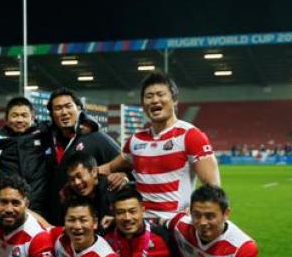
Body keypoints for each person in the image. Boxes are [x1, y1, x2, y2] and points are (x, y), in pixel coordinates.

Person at [99, 73, 219, 220]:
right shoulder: (135, 141)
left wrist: (196, 209)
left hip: (174, 225)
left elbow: (213, 187)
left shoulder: (191, 135)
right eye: (149, 96)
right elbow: (109, 168)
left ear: (174, 100)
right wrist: (82, 174)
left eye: (160, 94)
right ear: (143, 105)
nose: (155, 100)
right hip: (142, 227)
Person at [44, 88, 120, 225]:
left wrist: (122, 175)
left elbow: (125, 162)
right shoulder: (46, 140)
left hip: (88, 223)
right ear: (51, 114)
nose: (64, 112)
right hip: (55, 220)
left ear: (79, 108)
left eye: (68, 106)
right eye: (58, 108)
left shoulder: (96, 138)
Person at [0, 97, 50, 215]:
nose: (19, 120)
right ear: (6, 118)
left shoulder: (44, 133)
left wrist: (87, 124)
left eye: (24, 115)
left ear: (32, 117)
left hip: (39, 205)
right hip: (9, 207)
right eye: (15, 115)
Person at [62, 152, 114, 230]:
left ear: (94, 172)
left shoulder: (113, 187)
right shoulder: (70, 197)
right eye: (72, 179)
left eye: (79, 176)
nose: (77, 182)